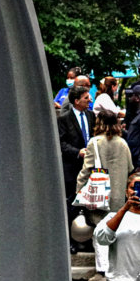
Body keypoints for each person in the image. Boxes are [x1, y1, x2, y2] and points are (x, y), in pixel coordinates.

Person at [76, 108, 134, 281]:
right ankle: (115, 268)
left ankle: (102, 271)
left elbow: (86, 170)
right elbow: (130, 168)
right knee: (114, 231)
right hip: (118, 196)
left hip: (99, 196)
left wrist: (79, 190)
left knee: (99, 233)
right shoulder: (123, 143)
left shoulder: (94, 142)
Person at [58, 84, 96, 239]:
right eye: (86, 98)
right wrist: (77, 152)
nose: (90, 100)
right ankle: (69, 239)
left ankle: (88, 238)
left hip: (90, 169)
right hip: (72, 169)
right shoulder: (64, 119)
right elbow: (61, 143)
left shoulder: (91, 116)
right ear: (76, 100)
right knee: (71, 205)